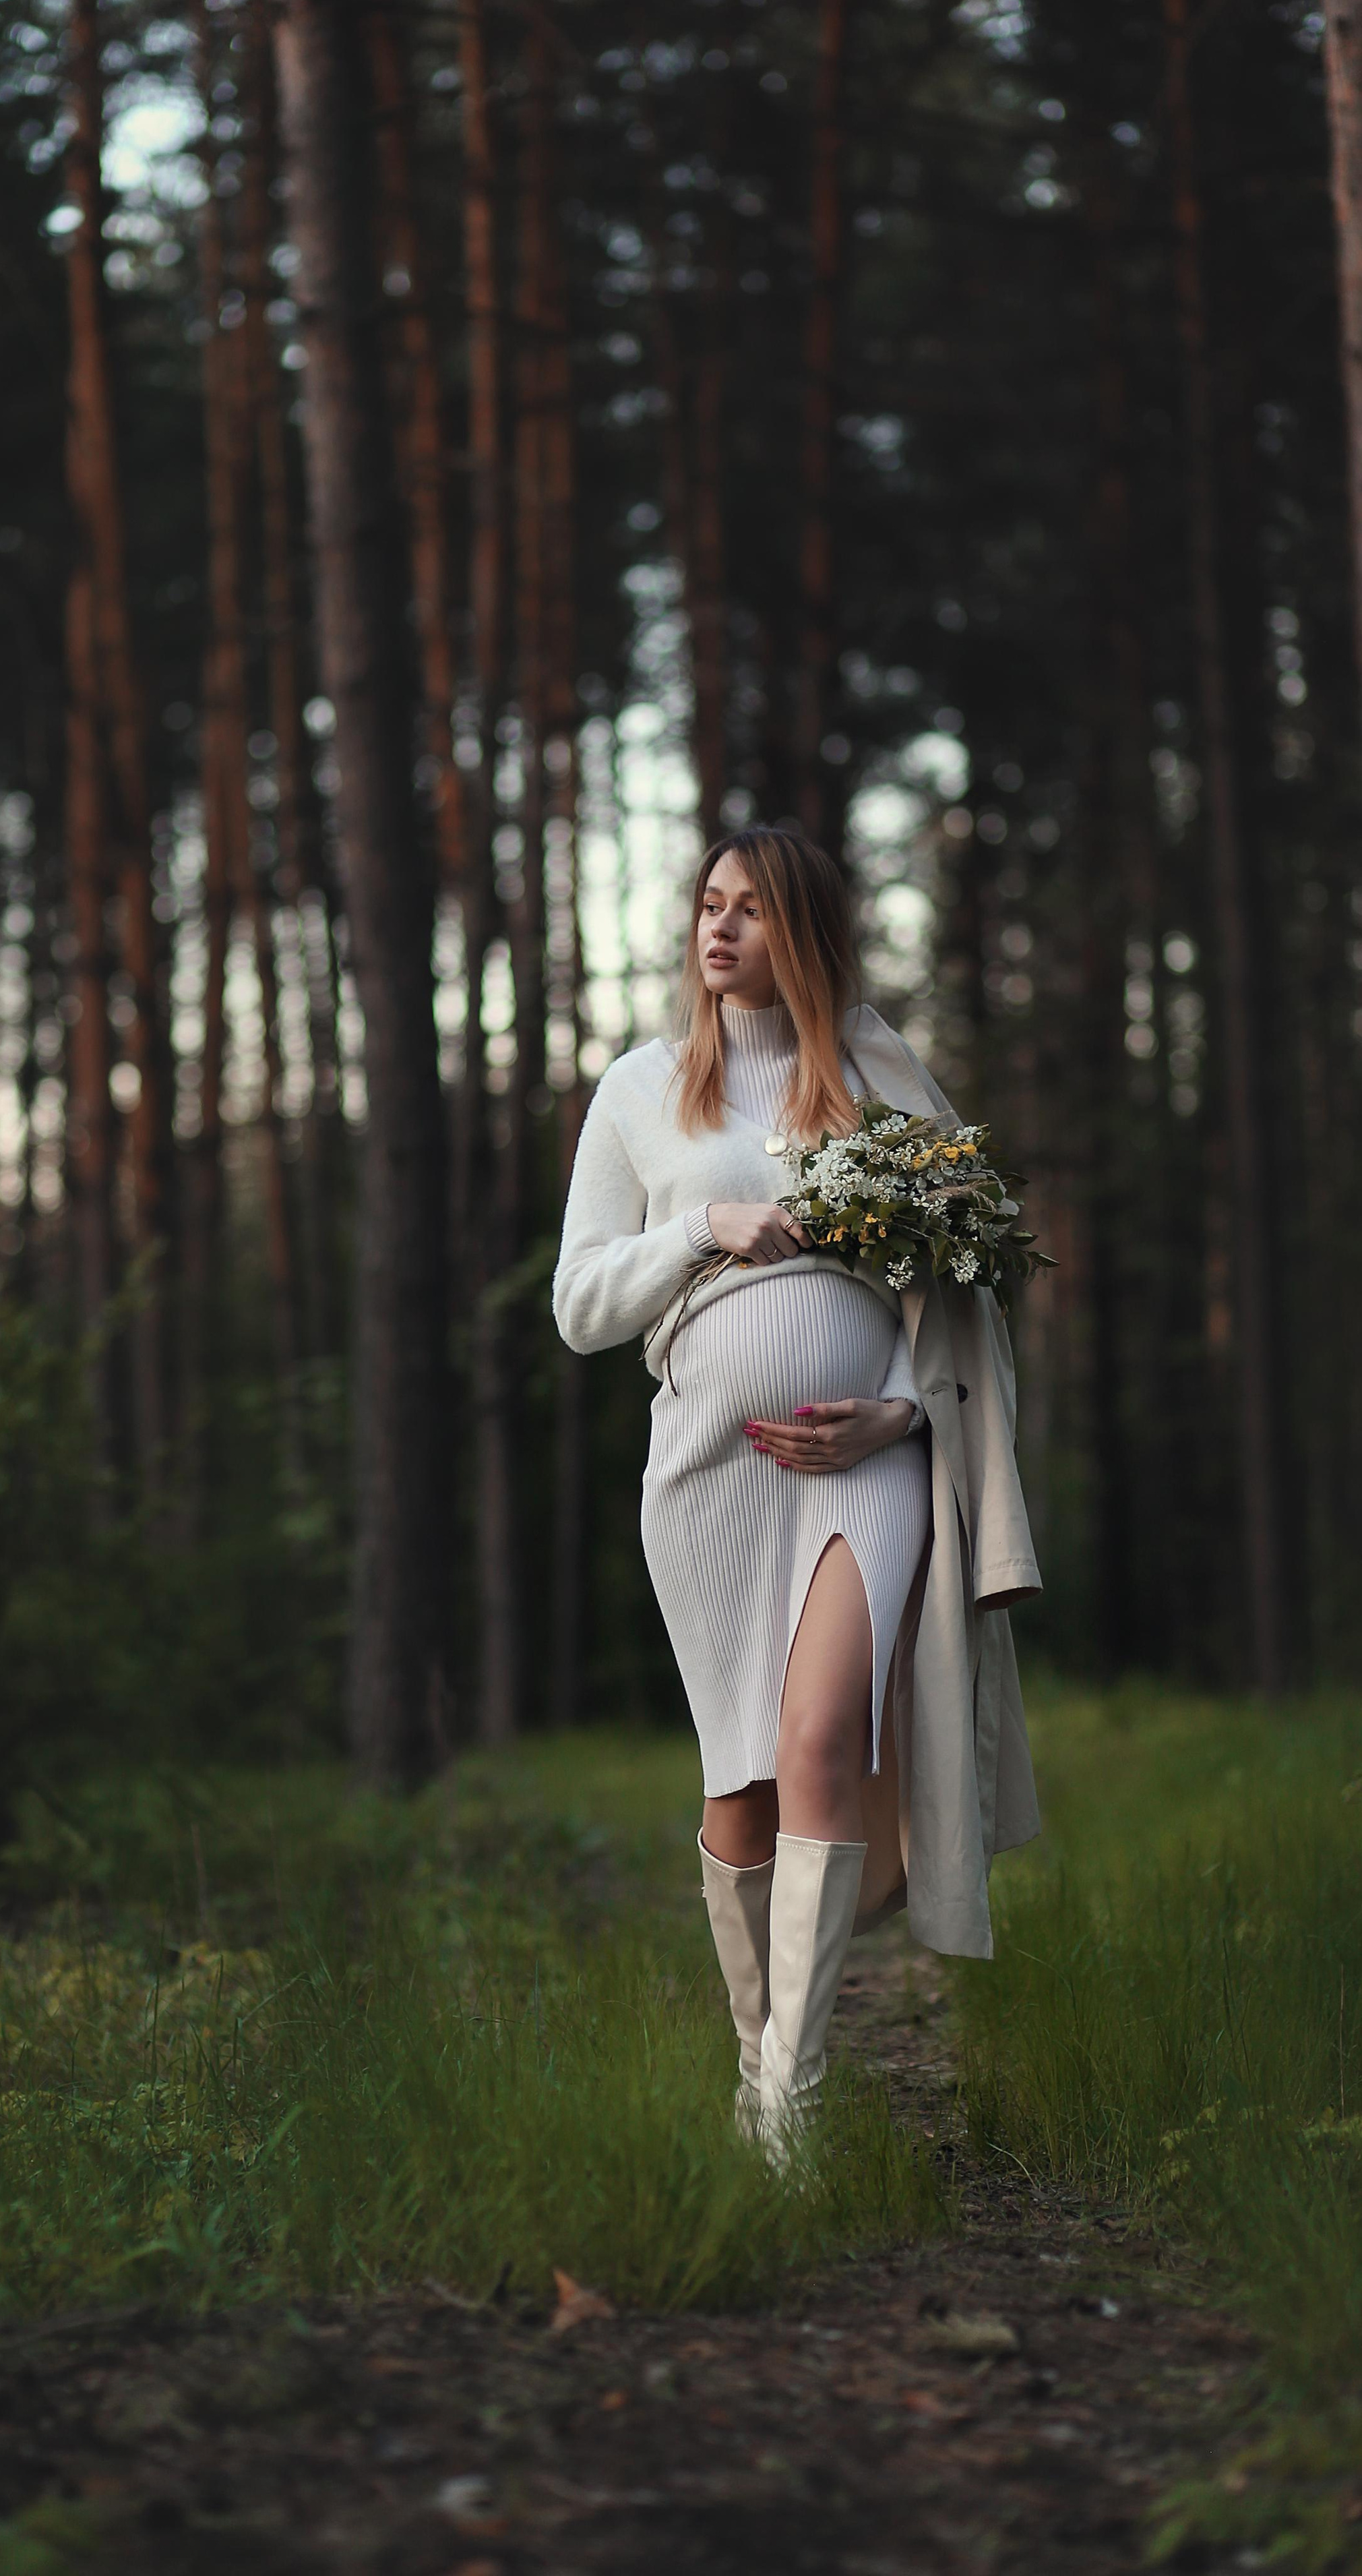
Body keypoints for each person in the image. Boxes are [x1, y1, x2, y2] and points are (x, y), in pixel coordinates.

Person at [553, 826, 1042, 2160]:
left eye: (750, 911)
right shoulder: (642, 1091)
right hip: (709, 1475)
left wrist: (898, 1413)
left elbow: (963, 1291)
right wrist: (697, 1230)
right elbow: (578, 1305)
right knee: (740, 1786)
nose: (716, 931)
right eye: (706, 906)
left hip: (867, 1459)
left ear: (805, 933)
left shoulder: (880, 1079)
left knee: (822, 1737)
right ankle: (750, 2059)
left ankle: (795, 2102)